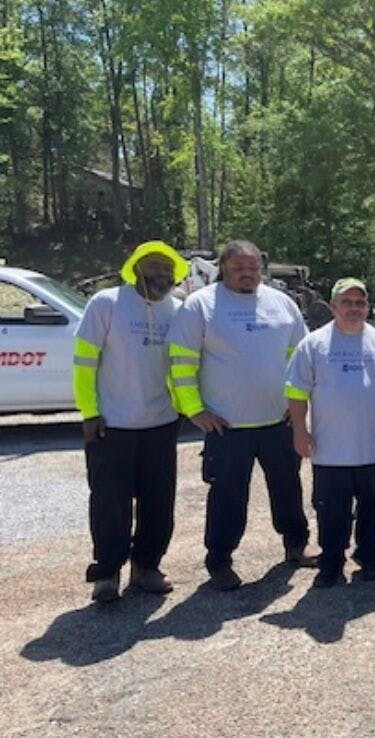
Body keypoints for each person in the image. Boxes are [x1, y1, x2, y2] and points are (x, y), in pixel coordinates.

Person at [169, 239, 315, 592]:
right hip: (226, 426)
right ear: (223, 268)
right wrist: (194, 410)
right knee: (227, 498)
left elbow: (302, 355)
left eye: (253, 268)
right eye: (238, 269)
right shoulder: (199, 306)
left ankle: (297, 545)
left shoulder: (282, 303)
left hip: (277, 421)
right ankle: (219, 561)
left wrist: (298, 405)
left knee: (288, 490)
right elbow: (180, 363)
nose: (247, 275)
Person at [73, 241, 187, 602]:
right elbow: (84, 363)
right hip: (112, 423)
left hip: (161, 422)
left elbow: (183, 367)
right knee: (110, 502)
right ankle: (107, 573)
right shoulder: (106, 303)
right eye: (153, 267)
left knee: (158, 501)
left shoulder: (178, 310)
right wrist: (89, 412)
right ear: (135, 269)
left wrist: (185, 409)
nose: (162, 275)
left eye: (168, 270)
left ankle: (146, 567)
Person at [285, 278, 375, 588]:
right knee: (331, 511)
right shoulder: (313, 345)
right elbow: (297, 394)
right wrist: (300, 431)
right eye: (347, 302)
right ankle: (331, 563)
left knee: (373, 509)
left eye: (360, 303)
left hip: (373, 447)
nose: (354, 308)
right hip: (330, 450)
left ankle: (371, 558)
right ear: (333, 306)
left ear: (367, 307)